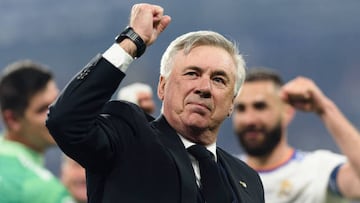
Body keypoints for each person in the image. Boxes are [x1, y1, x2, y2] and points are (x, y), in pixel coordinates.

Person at [46, 3, 264, 203]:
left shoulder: (247, 179)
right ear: (162, 86)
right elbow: (65, 121)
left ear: (232, 104)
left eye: (218, 79)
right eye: (192, 74)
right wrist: (132, 40)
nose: (204, 88)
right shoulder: (127, 136)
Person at [232, 67, 360, 203]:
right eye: (241, 109)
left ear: (287, 112)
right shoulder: (224, 173)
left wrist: (325, 109)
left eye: (260, 107)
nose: (249, 119)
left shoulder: (317, 171)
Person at [0, 60, 75, 202]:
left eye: (58, 102)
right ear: (12, 120)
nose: (57, 115)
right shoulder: (46, 192)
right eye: (43, 109)